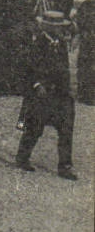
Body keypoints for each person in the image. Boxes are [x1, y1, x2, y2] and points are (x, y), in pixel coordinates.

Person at [15, 10, 77, 180]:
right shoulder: (37, 44)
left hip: (61, 93)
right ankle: (22, 157)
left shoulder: (61, 44)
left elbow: (64, 68)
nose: (61, 30)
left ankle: (65, 166)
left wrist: (67, 87)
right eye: (57, 27)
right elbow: (27, 68)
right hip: (41, 93)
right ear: (48, 28)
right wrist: (37, 85)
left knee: (66, 129)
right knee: (34, 127)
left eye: (61, 27)